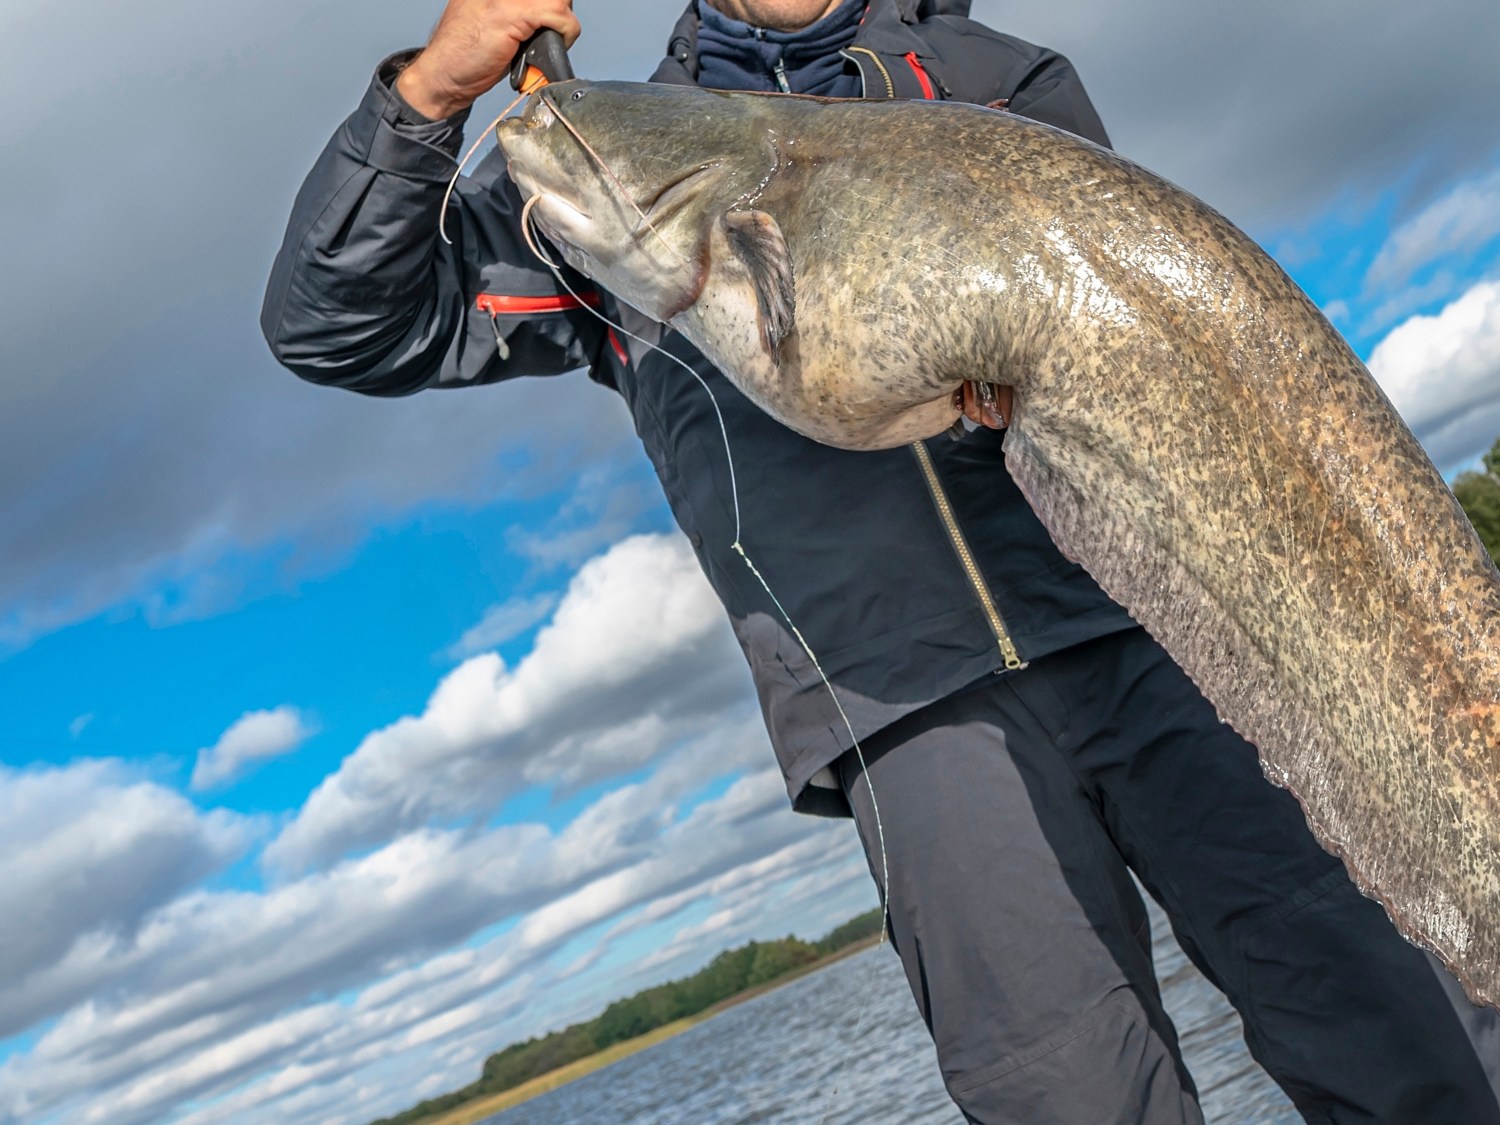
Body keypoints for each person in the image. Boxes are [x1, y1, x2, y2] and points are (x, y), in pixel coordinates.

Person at [262, 1, 1500, 1120]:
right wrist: (426, 96)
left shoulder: (989, 78)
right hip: (903, 714)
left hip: (1159, 638)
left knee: (1405, 1041)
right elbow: (338, 323)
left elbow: (1128, 331)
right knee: (1077, 1103)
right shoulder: (603, 164)